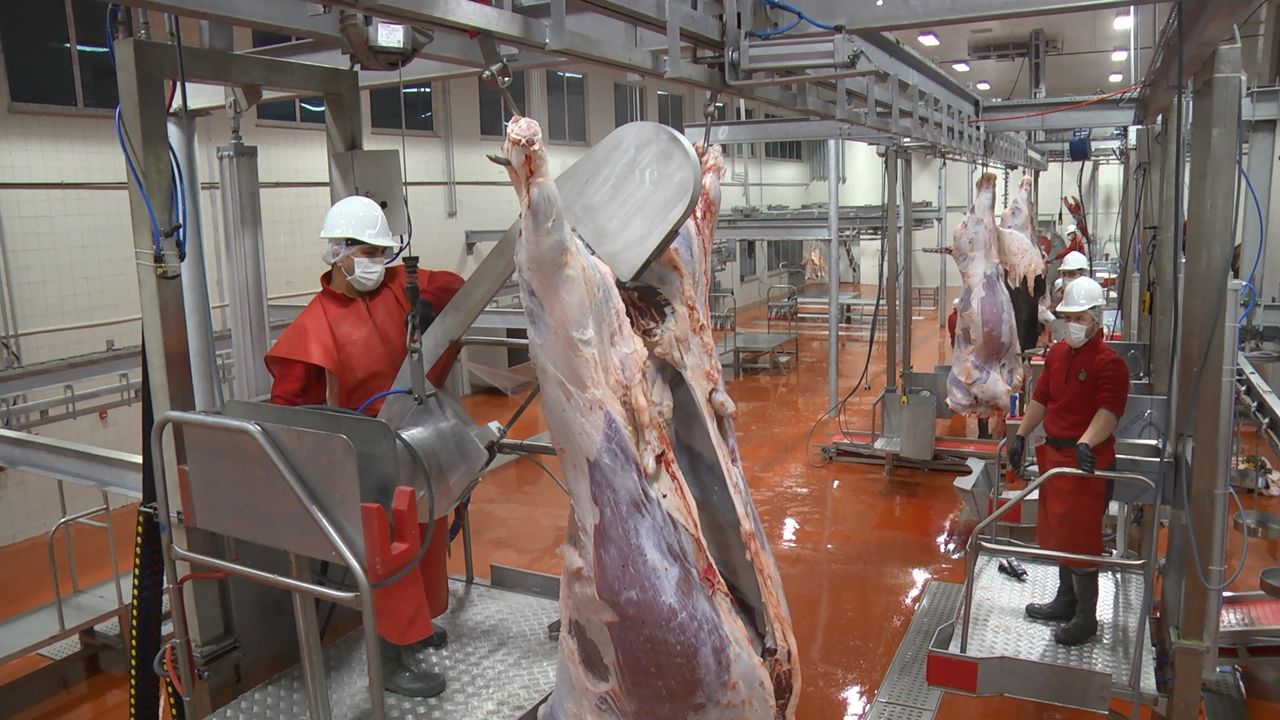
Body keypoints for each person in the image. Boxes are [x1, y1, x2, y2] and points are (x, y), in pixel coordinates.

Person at [265, 195, 465, 697]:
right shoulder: (314, 325)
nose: (377, 263)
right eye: (367, 253)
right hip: (364, 458)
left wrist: (426, 306)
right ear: (337, 253)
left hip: (413, 442)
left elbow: (456, 286)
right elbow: (289, 406)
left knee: (427, 538)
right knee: (389, 553)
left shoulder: (397, 288)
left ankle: (417, 626)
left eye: (382, 253)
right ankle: (390, 657)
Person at [1007, 277, 1129, 646]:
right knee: (1061, 534)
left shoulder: (1110, 363)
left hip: (1086, 461)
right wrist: (1021, 435)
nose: (1072, 325)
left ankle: (1086, 617)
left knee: (1082, 539)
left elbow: (1109, 410)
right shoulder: (1058, 353)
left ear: (1096, 318)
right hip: (1056, 456)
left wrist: (1087, 442)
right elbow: (1041, 399)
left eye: (1079, 318)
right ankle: (1066, 600)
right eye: (1068, 318)